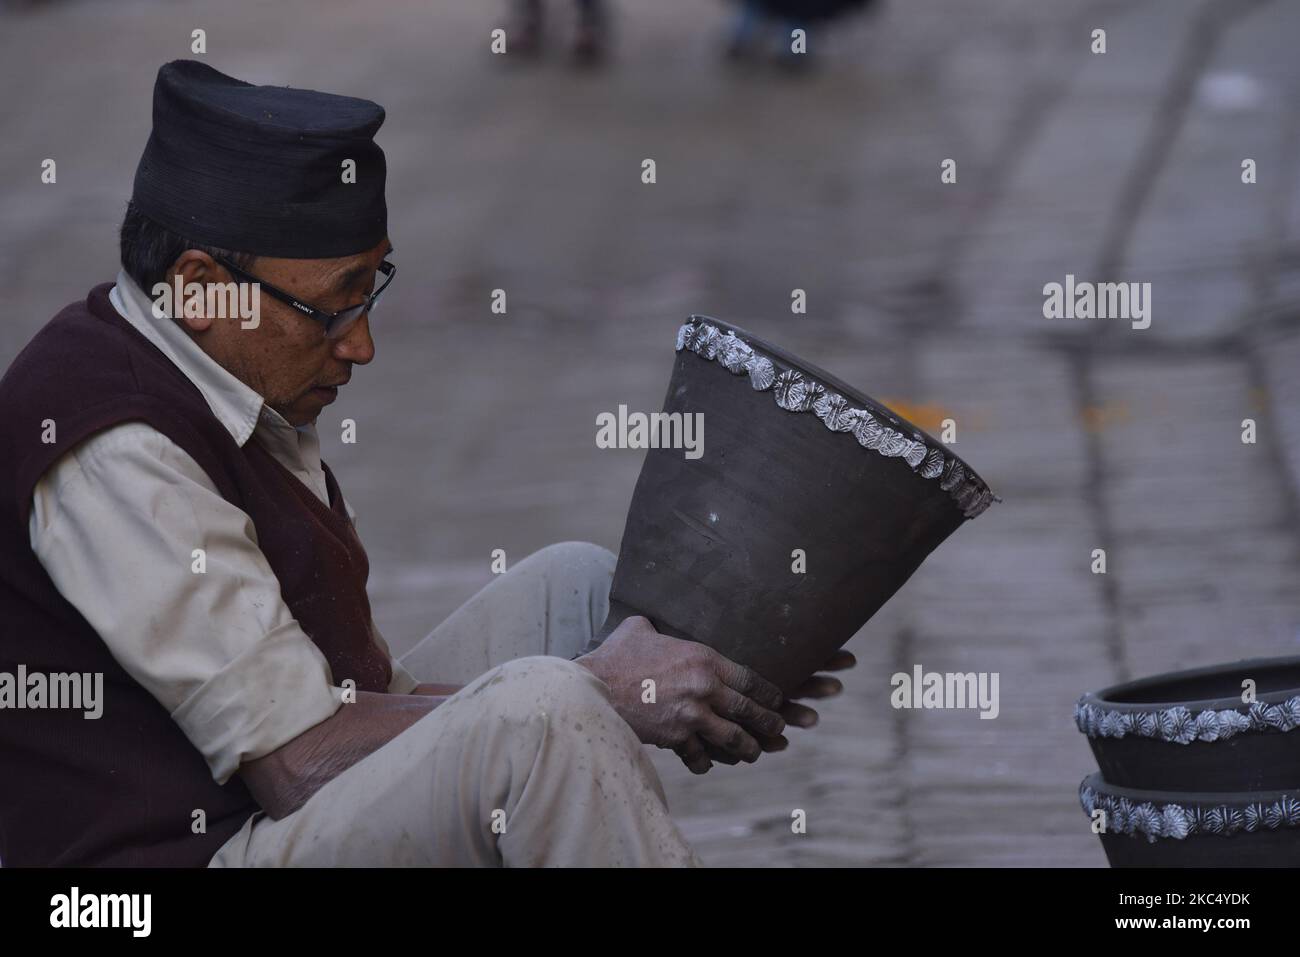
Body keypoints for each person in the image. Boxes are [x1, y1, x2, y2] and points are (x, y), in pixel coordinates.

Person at [0, 60, 852, 867]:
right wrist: (606, 692)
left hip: (271, 804)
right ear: (197, 286)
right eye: (330, 310)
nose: (360, 345)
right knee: (549, 712)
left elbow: (347, 697)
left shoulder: (213, 367)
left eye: (369, 292)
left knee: (583, 590)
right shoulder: (120, 449)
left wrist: (711, 660)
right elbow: (301, 759)